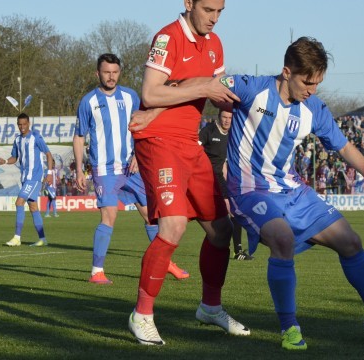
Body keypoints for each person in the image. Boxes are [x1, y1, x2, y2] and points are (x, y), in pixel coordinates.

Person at [217, 36, 364, 350]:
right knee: (282, 240)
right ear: (287, 72)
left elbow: (343, 146)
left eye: (318, 83)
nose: (312, 90)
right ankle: (290, 328)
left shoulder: (313, 109)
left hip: (294, 191)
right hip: (249, 190)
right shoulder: (251, 88)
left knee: (351, 241)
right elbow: (212, 84)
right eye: (307, 82)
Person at [127, 0, 249, 346]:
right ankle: (142, 314)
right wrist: (202, 87)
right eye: (208, 9)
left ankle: (210, 308)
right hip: (158, 141)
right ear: (188, 3)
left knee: (221, 228)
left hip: (189, 143)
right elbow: (150, 93)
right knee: (174, 224)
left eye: (220, 11)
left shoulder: (215, 44)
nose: (214, 18)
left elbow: (218, 91)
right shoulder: (168, 38)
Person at [74, 53, 190, 285]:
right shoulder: (88, 102)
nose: (111, 76)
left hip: (132, 167)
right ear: (98, 74)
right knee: (110, 215)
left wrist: (139, 154)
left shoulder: (131, 96)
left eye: (115, 72)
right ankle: (97, 271)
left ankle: (165, 263)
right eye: (106, 72)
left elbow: (142, 127)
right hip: (104, 168)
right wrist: (79, 170)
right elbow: (79, 137)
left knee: (152, 217)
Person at [198, 110, 252, 260]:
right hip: (206, 178)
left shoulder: (233, 133)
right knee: (225, 213)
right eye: (224, 117)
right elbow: (194, 149)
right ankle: (232, 250)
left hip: (221, 178)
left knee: (233, 211)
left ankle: (237, 251)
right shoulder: (208, 131)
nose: (227, 120)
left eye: (230, 118)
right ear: (218, 117)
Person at [0, 113, 53, 247]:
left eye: (24, 124)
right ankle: (42, 239)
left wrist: (49, 173)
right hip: (24, 178)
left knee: (19, 202)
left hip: (34, 178)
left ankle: (17, 237)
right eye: (19, 124)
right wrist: (5, 161)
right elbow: (14, 158)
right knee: (33, 207)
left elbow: (48, 154)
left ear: (29, 123)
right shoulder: (17, 140)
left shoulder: (36, 137)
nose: (22, 127)